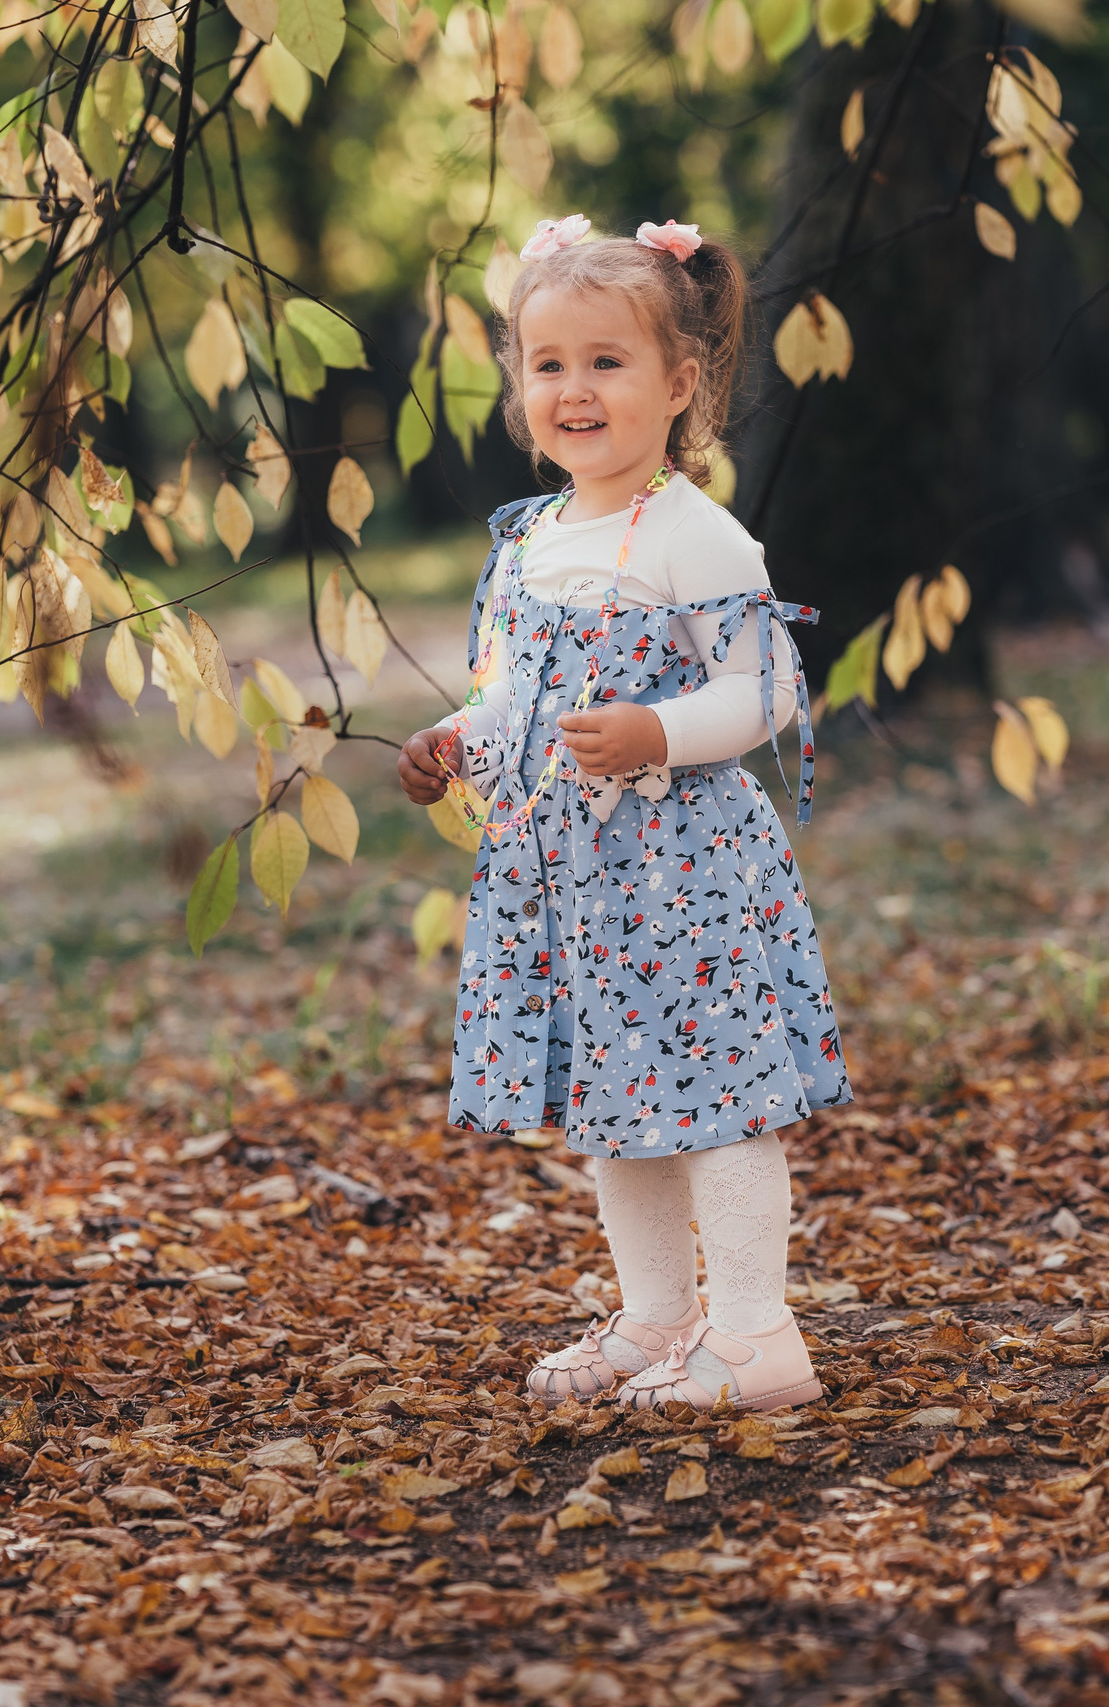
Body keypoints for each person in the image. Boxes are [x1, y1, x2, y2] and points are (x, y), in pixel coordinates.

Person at [396, 215, 851, 1413]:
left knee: (717, 1101)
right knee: (618, 1104)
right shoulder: (531, 539)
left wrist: (659, 730)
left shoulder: (697, 535)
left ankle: (757, 1337)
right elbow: (513, 696)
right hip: (572, 880)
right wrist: (457, 740)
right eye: (549, 364)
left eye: (607, 361)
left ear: (679, 385)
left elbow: (765, 690)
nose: (575, 390)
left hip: (682, 872)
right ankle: (656, 1316)